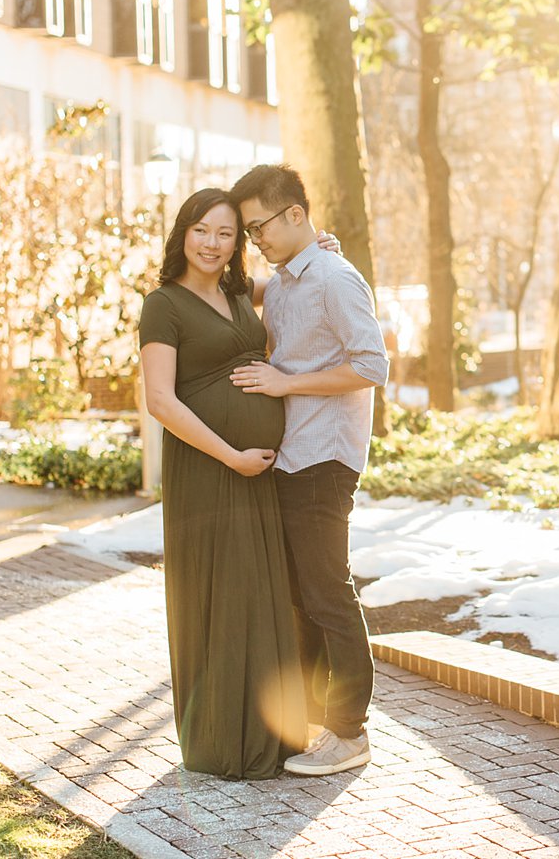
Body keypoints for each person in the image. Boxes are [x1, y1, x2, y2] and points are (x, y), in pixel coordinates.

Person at [138, 188, 307, 780]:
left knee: (258, 592)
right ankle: (218, 740)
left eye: (227, 233)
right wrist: (231, 455)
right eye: (202, 231)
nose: (213, 244)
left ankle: (269, 732)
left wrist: (315, 249)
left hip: (251, 467)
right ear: (183, 233)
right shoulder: (163, 305)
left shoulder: (239, 291)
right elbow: (160, 399)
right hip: (209, 468)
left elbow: (289, 284)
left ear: (239, 242)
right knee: (219, 592)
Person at [226, 165, 390, 777]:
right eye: (247, 232)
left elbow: (373, 365)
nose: (254, 240)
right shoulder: (293, 276)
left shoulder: (333, 277)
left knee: (327, 591)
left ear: (295, 213)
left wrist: (286, 383)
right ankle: (325, 721)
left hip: (324, 457)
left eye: (258, 226)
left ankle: (351, 733)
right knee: (303, 595)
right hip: (293, 454)